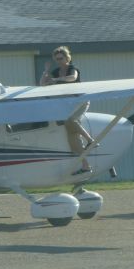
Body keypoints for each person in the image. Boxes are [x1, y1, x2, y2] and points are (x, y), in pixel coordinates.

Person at [40, 46, 95, 175]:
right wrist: (46, 71)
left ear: (67, 58)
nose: (59, 61)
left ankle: (90, 140)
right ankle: (86, 166)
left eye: (61, 58)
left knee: (70, 121)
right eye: (57, 59)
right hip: (68, 105)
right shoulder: (55, 71)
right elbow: (42, 84)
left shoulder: (72, 69)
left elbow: (73, 78)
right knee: (72, 140)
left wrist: (57, 80)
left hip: (80, 101)